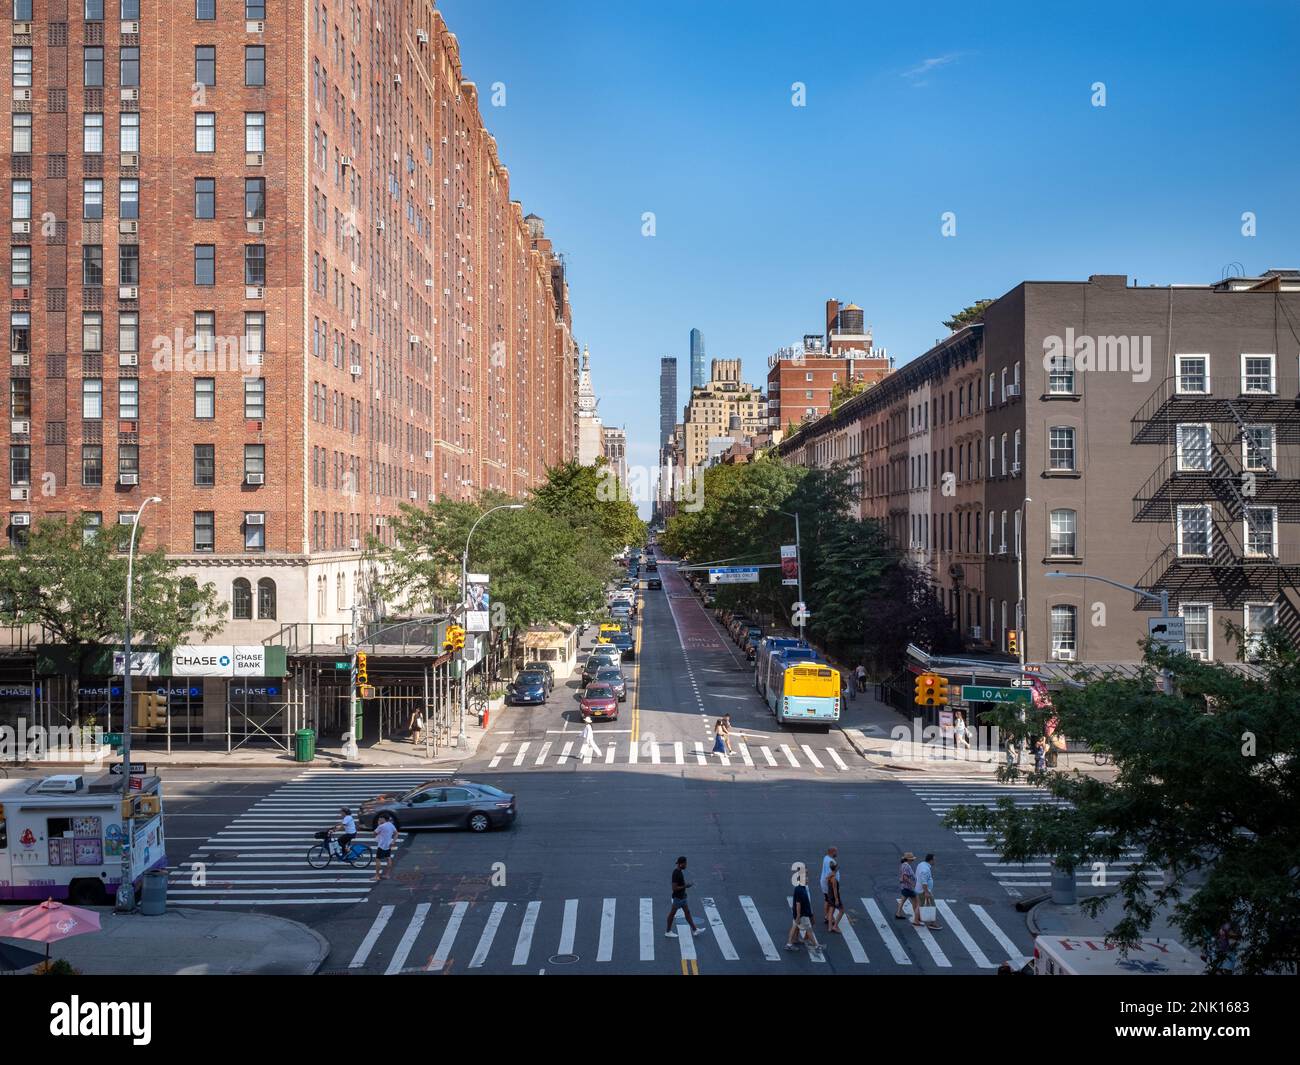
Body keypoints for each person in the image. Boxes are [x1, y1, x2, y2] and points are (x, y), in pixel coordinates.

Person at [664, 856, 706, 938]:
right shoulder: (676, 873)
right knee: (672, 914)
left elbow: (680, 884)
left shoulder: (679, 872)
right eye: (685, 863)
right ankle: (668, 931)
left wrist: (686, 886)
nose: (686, 865)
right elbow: (674, 888)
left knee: (687, 912)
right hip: (678, 898)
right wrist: (685, 886)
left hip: (682, 897)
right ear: (681, 864)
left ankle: (694, 930)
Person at [786, 877, 821, 952]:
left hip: (799, 914)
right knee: (808, 929)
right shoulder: (800, 890)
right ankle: (816, 945)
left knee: (794, 926)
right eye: (806, 879)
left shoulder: (800, 888)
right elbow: (798, 903)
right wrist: (799, 915)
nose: (808, 880)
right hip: (802, 914)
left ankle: (789, 944)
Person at [915, 853, 941, 929]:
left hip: (920, 889)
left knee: (920, 905)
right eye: (934, 860)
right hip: (924, 891)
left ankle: (916, 920)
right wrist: (926, 892)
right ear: (931, 860)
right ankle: (933, 923)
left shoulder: (921, 864)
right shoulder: (925, 869)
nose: (935, 862)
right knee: (932, 905)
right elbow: (924, 882)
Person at [372, 813, 398, 881]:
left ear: (383, 819)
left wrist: (379, 824)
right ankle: (387, 875)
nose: (379, 820)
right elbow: (396, 834)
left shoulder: (381, 826)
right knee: (388, 858)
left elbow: (374, 833)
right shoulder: (391, 824)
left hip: (381, 845)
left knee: (378, 859)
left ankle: (377, 876)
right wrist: (393, 842)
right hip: (388, 845)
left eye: (380, 819)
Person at [895, 852, 919, 923]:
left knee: (903, 900)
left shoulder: (903, 865)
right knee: (915, 901)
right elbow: (905, 877)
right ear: (908, 860)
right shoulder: (907, 866)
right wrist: (912, 884)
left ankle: (898, 913)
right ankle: (916, 916)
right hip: (908, 887)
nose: (912, 861)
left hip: (904, 886)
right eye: (912, 860)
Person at [819, 846, 839, 928]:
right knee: (831, 902)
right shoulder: (831, 861)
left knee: (827, 900)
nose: (837, 853)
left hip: (824, 883)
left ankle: (826, 916)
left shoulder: (826, 858)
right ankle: (829, 918)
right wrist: (833, 886)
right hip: (829, 884)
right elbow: (830, 874)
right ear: (832, 852)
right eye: (836, 852)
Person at [826, 859, 845, 933]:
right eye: (837, 867)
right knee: (842, 910)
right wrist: (837, 899)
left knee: (831, 910)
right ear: (836, 868)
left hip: (830, 895)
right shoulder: (833, 878)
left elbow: (826, 879)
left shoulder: (830, 875)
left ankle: (830, 927)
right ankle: (835, 926)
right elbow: (835, 890)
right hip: (834, 896)